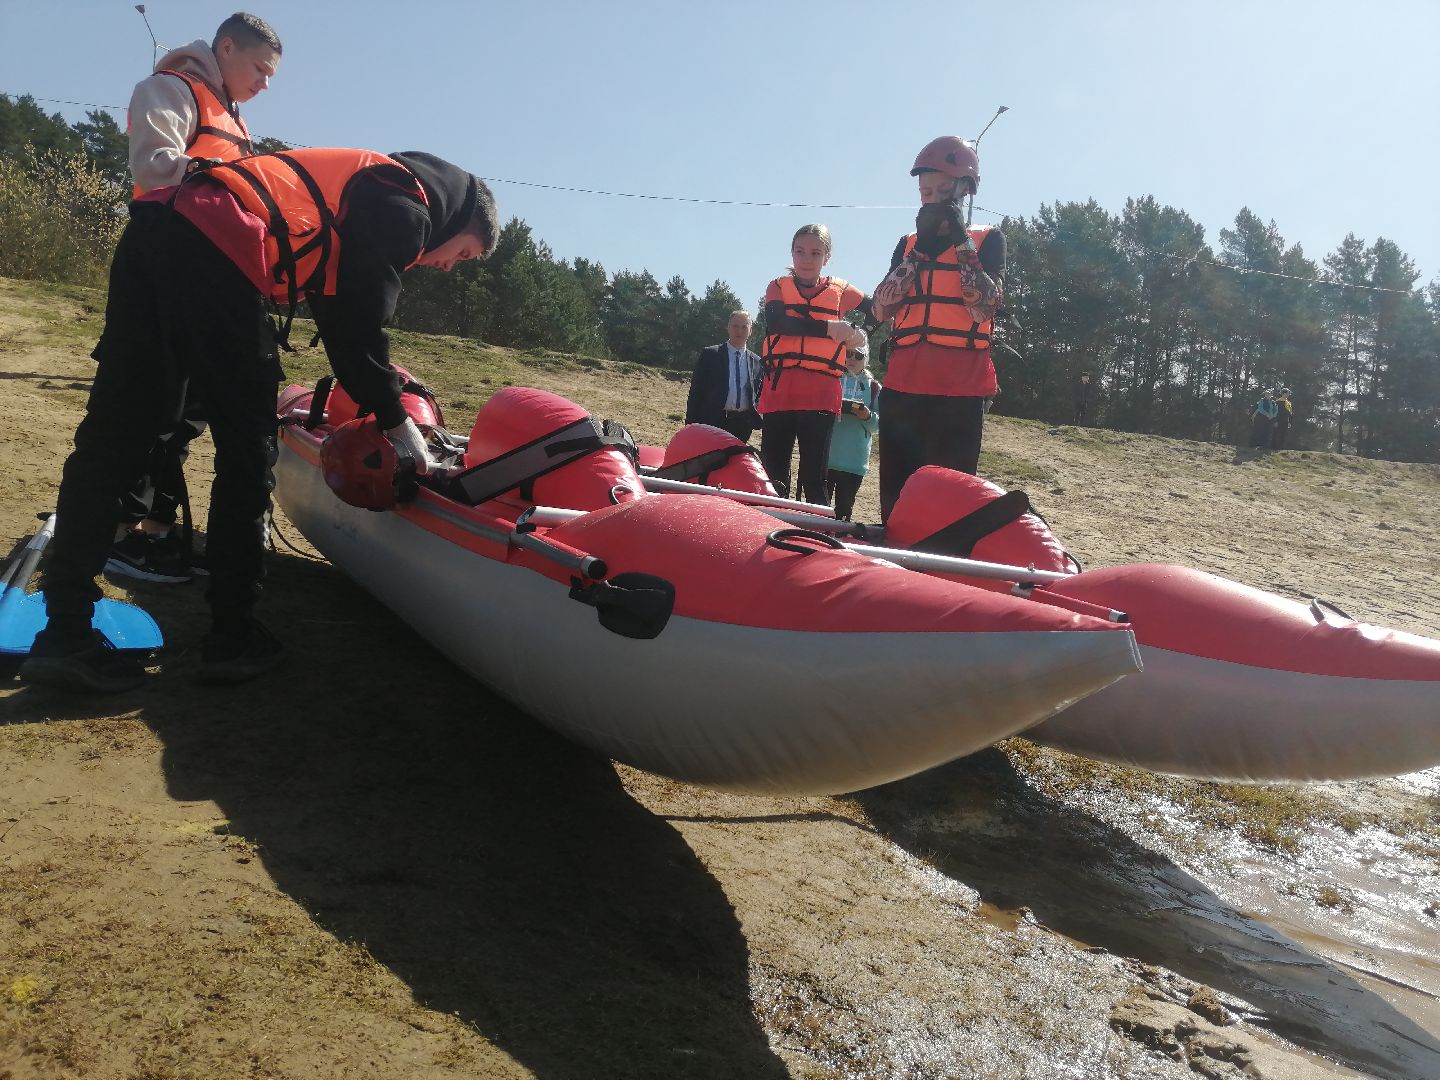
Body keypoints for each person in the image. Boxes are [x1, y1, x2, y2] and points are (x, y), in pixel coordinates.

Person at [20, 148, 497, 693]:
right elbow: (358, 333)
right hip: (217, 248)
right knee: (246, 454)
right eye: (463, 255)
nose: (447, 265)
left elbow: (340, 311)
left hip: (155, 229)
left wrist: (379, 398)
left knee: (110, 444)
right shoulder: (404, 206)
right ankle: (232, 636)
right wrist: (398, 423)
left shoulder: (372, 189)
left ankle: (63, 635)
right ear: (460, 220)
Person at [108, 11, 284, 585]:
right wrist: (236, 180)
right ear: (226, 48)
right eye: (260, 68)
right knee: (156, 407)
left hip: (216, 279)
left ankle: (155, 533)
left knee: (190, 415)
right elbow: (153, 168)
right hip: (163, 267)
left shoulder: (234, 121)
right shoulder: (169, 89)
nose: (265, 83)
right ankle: (118, 536)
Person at [869, 135, 1005, 523]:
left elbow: (983, 309)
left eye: (942, 190)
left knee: (951, 504)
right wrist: (920, 251)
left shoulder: (988, 240)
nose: (932, 198)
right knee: (896, 505)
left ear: (966, 189)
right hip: (903, 389)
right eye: (925, 191)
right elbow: (881, 307)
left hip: (960, 393)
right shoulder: (908, 243)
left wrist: (960, 239)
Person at [756, 224, 871, 502]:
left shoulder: (842, 291)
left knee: (814, 478)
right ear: (792, 254)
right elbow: (777, 322)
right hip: (780, 392)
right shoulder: (777, 287)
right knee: (773, 474)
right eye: (800, 251)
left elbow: (877, 308)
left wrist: (862, 334)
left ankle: (816, 534)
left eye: (815, 253)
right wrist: (830, 329)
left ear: (826, 257)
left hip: (821, 395)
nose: (807, 259)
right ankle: (769, 528)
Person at [684, 310, 762, 441]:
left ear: (750, 330)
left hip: (743, 425)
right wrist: (690, 425)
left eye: (744, 327)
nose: (739, 331)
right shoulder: (711, 354)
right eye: (735, 326)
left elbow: (759, 394)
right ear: (728, 327)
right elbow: (696, 391)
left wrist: (756, 419)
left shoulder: (757, 362)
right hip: (713, 420)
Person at [825, 339, 880, 521]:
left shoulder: (874, 388)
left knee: (843, 512)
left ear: (866, 359)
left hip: (854, 463)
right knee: (818, 510)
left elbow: (878, 426)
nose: (852, 358)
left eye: (858, 355)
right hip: (826, 457)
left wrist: (867, 416)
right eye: (848, 353)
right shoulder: (831, 378)